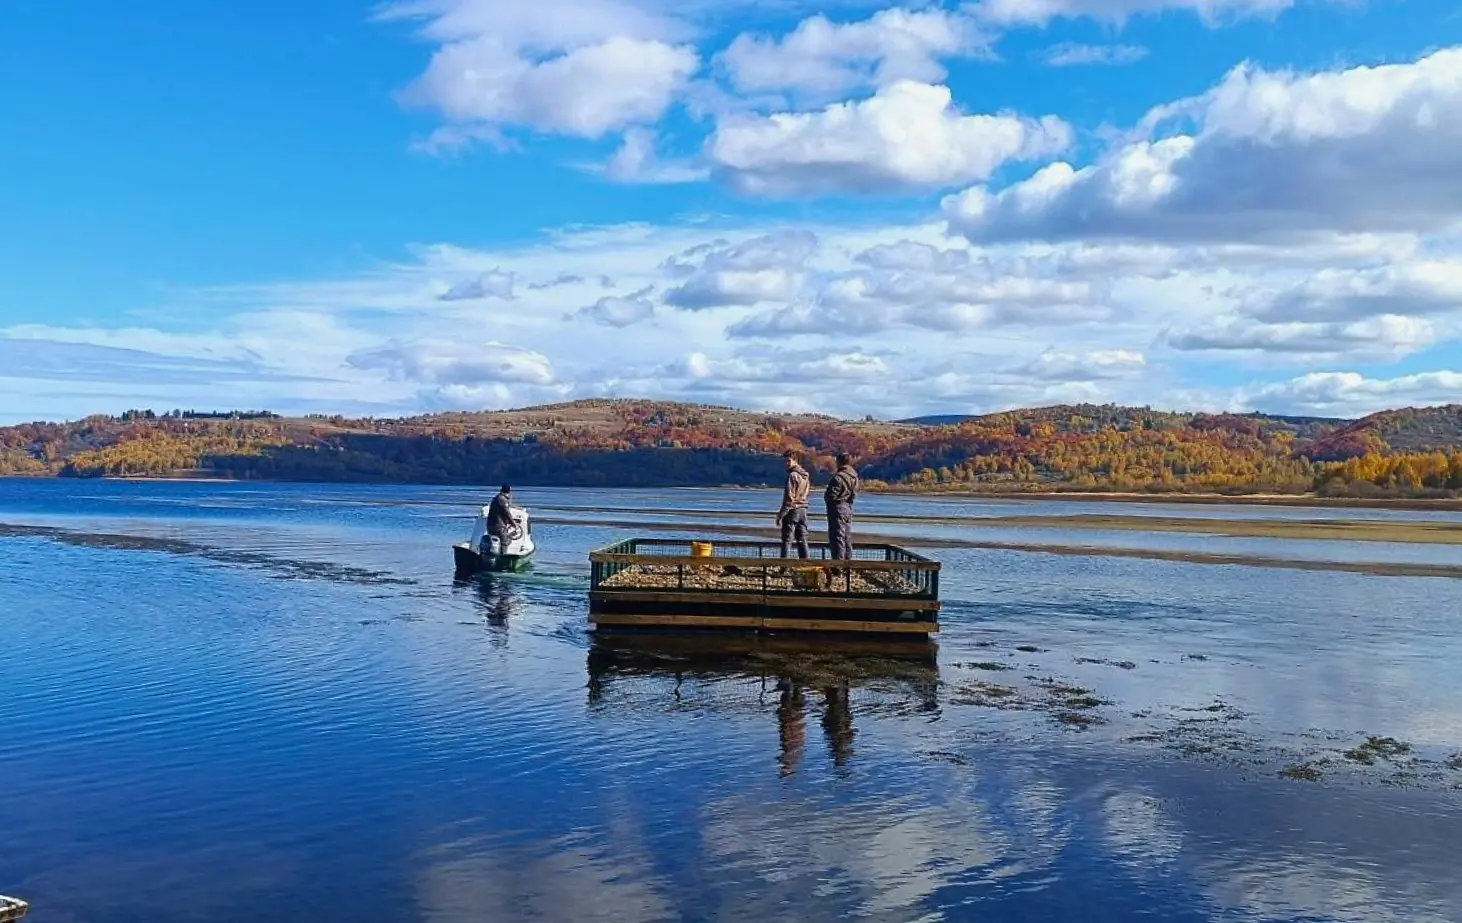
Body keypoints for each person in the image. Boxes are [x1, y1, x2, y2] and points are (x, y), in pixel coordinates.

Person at [824, 453, 859, 560]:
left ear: (839, 462)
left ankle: (838, 564)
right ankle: (848, 562)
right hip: (848, 508)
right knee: (847, 537)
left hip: (838, 508)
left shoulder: (838, 477)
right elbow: (854, 495)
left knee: (837, 536)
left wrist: (830, 502)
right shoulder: (854, 477)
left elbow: (831, 495)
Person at [776, 450, 811, 559]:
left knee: (787, 540)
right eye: (785, 461)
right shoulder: (805, 477)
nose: (786, 464)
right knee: (802, 539)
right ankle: (805, 564)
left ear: (796, 461)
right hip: (803, 509)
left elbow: (789, 498)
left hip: (793, 510)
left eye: (788, 461)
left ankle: (783, 566)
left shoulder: (792, 476)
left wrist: (780, 515)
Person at [487, 484, 517, 549]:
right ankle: (503, 557)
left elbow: (500, 512)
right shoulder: (502, 499)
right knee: (504, 543)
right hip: (498, 526)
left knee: (495, 544)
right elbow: (507, 513)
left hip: (490, 525)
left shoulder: (496, 498)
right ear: (508, 491)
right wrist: (513, 524)